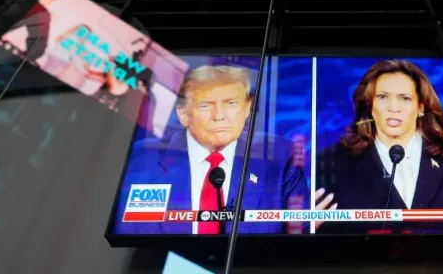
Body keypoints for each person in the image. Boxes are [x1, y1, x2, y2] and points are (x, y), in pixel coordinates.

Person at [315, 59, 443, 234]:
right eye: (383, 97)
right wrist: (305, 229)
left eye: (405, 98)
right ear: (369, 104)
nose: (394, 107)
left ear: (421, 107)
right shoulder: (332, 160)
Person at [115, 65, 309, 234]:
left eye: (231, 103)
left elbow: (298, 228)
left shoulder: (279, 155)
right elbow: (134, 231)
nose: (219, 116)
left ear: (247, 108)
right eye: (206, 105)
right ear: (183, 114)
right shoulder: (145, 157)